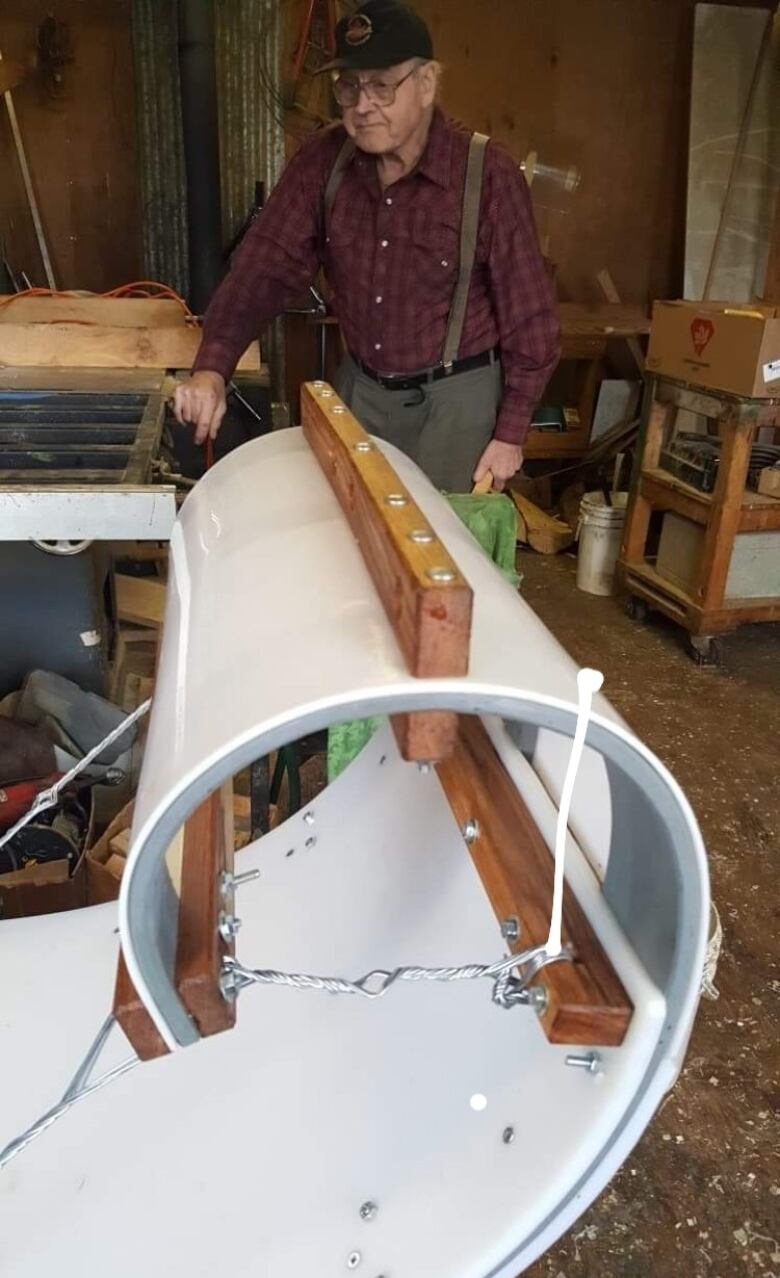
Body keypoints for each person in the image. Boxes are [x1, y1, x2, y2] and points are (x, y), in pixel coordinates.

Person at [173, 0, 560, 493]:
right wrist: (211, 368)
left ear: (426, 85)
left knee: (441, 550)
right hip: (362, 390)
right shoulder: (322, 161)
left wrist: (510, 435)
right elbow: (261, 270)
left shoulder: (487, 174)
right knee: (351, 539)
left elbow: (532, 321)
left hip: (456, 404)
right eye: (349, 86)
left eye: (381, 85)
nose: (362, 104)